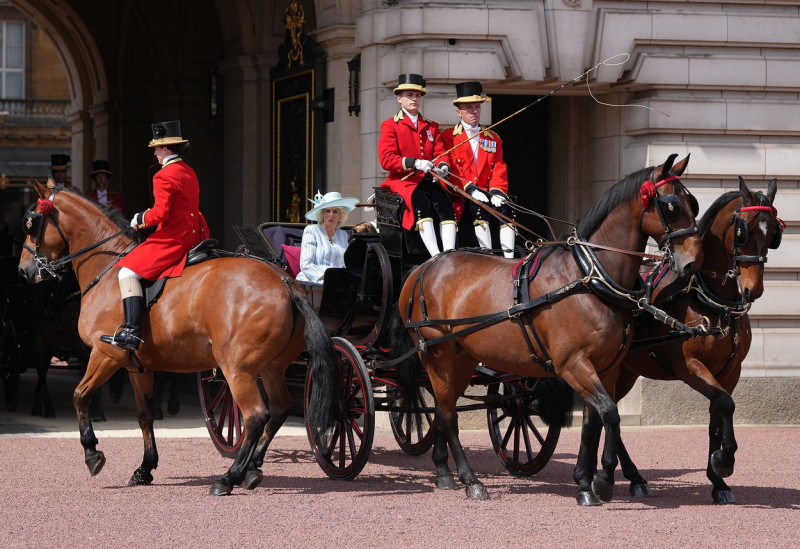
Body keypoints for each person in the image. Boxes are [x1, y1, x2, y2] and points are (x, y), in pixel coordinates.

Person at [100, 120, 210, 351]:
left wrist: (138, 219)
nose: (155, 153)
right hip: (195, 234)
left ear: (167, 149)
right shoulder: (188, 171)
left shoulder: (163, 175)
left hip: (174, 237)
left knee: (126, 272)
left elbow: (160, 213)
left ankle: (131, 331)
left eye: (157, 149)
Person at [378, 73, 456, 257]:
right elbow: (386, 159)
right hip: (403, 182)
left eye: (418, 95)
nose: (414, 99)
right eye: (409, 95)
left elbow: (440, 152)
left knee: (446, 203)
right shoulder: (390, 125)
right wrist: (415, 163)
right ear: (399, 98)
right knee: (421, 203)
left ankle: (450, 254)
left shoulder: (431, 126)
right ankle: (436, 256)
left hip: (428, 179)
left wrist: (442, 166)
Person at [435, 81, 516, 258]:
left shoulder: (493, 137)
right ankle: (488, 257)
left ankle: (509, 259)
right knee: (480, 209)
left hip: (487, 191)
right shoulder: (448, 136)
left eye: (477, 107)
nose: (474, 111)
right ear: (459, 112)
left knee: (507, 211)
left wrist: (498, 191)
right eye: (469, 108)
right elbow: (451, 169)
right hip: (462, 193)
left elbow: (499, 166)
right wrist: (469, 188)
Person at [295, 190, 359, 284]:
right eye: (327, 211)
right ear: (322, 214)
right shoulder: (312, 230)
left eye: (335, 211)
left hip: (338, 284)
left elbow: (345, 264)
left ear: (340, 215)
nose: (331, 215)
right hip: (314, 282)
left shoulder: (343, 235)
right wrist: (328, 278)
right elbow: (306, 264)